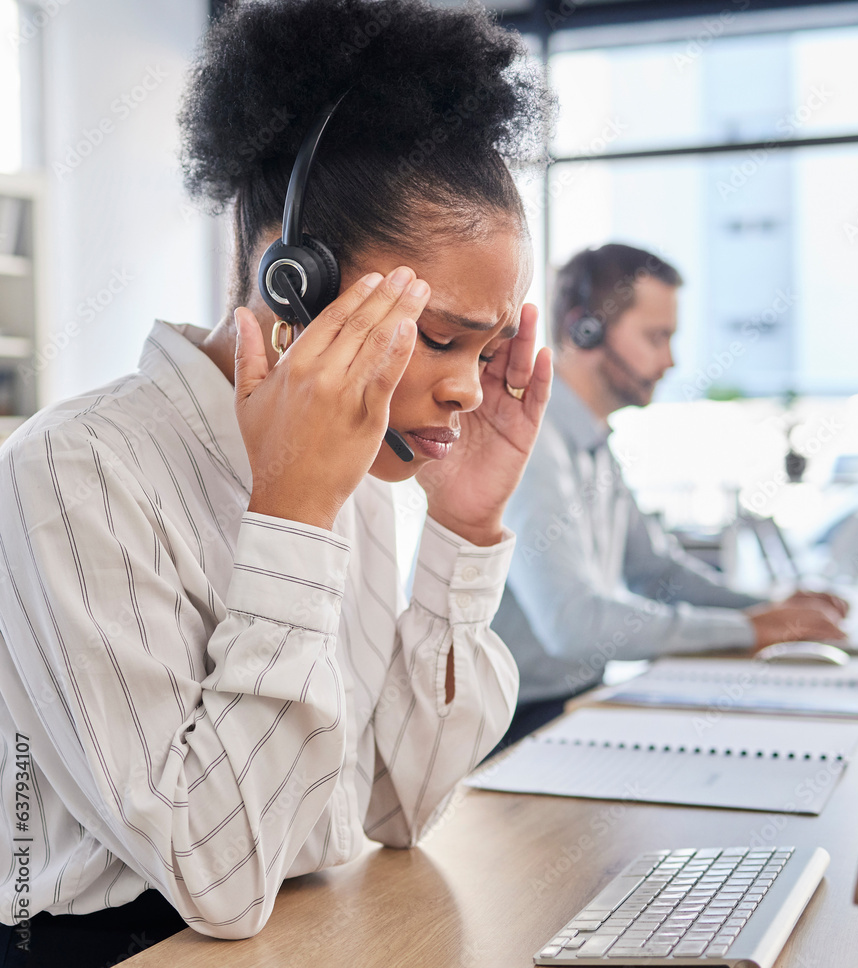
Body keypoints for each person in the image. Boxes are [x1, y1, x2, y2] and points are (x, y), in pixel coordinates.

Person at [0, 0, 554, 961]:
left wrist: (464, 530)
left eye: (490, 347)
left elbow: (396, 805)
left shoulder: (362, 481)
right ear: (288, 277)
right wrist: (291, 519)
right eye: (439, 337)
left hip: (308, 933)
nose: (468, 386)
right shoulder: (74, 472)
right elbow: (215, 879)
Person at [491, 244, 847, 743]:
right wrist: (752, 630)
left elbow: (656, 572)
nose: (672, 360)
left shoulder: (592, 443)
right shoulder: (532, 444)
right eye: (656, 338)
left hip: (575, 703)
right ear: (584, 331)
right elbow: (572, 625)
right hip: (513, 727)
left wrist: (769, 607)